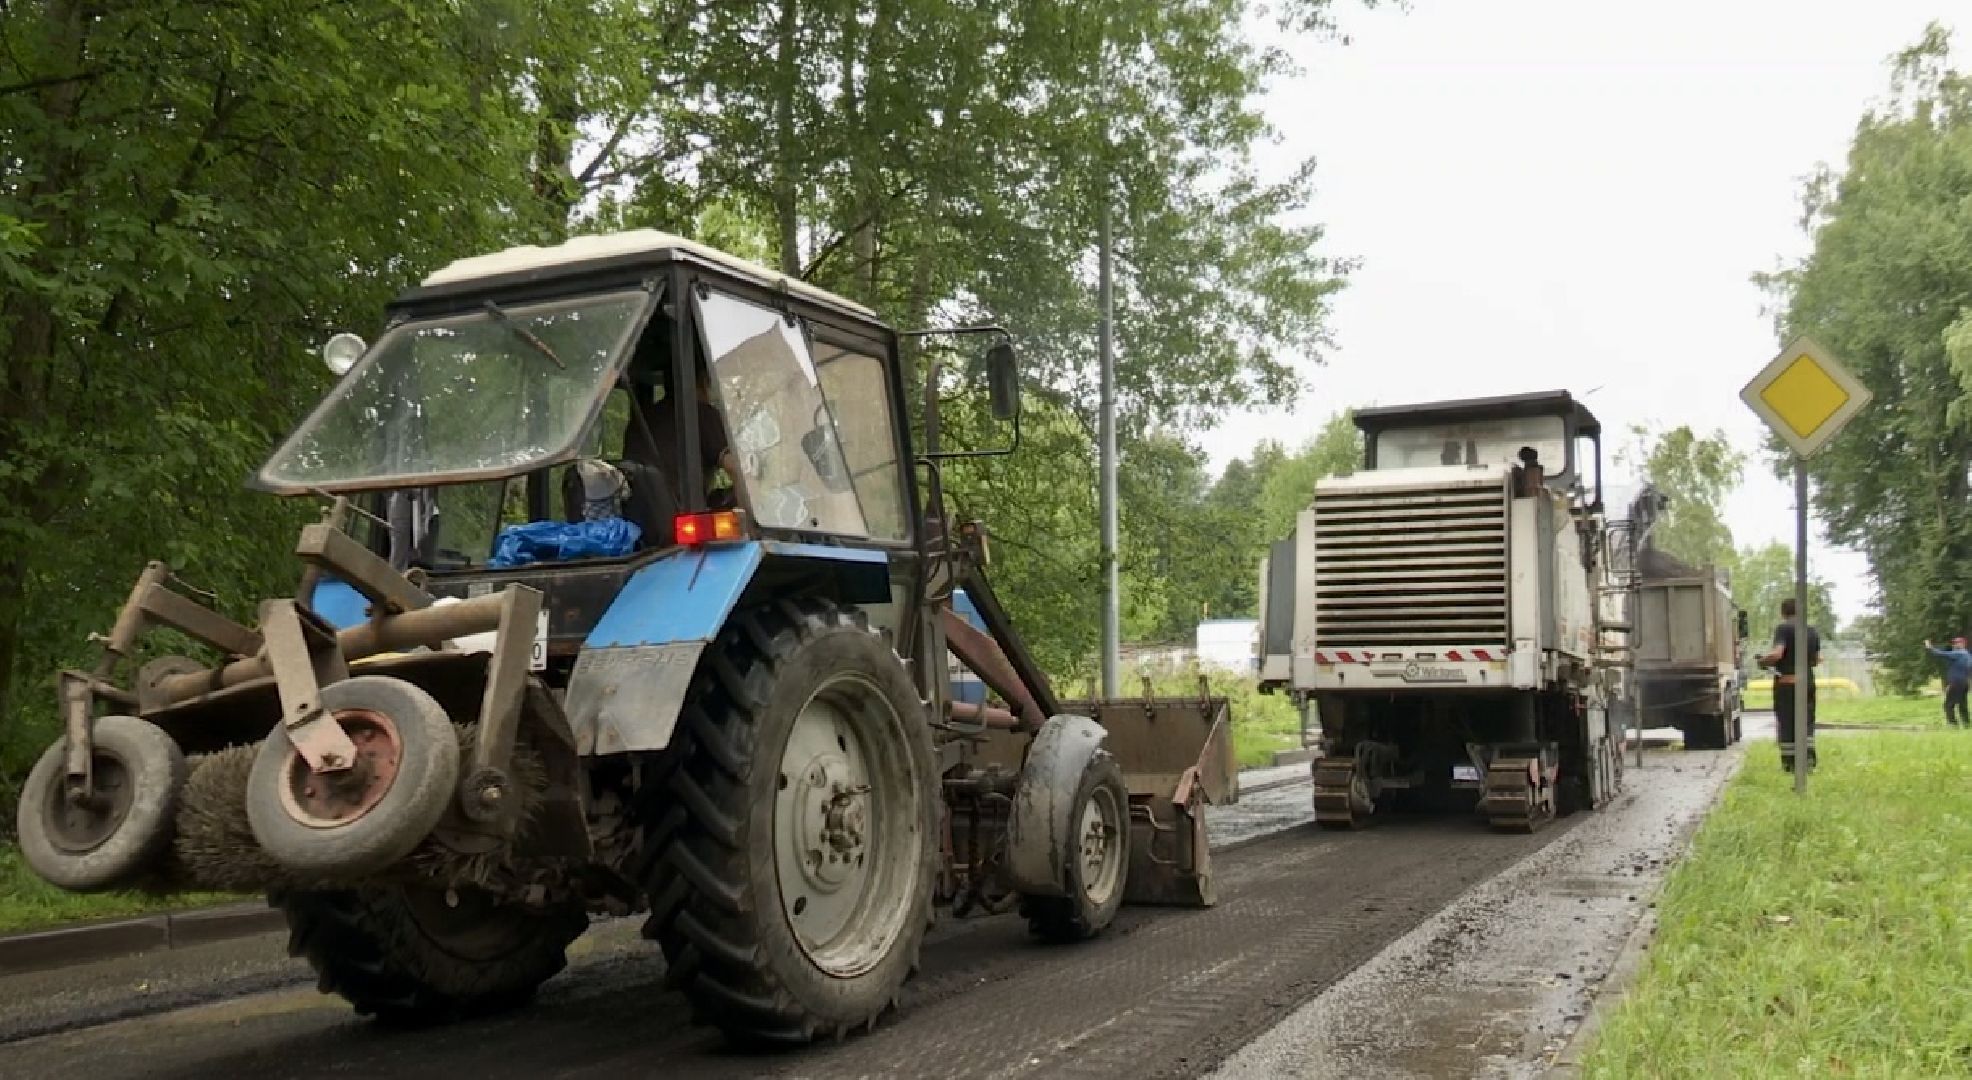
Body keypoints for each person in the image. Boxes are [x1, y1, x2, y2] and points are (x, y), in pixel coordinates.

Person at [1757, 599, 1821, 772]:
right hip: (1808, 683)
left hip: (1788, 683)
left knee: (1787, 721)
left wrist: (1763, 661)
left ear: (1783, 613)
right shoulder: (1811, 631)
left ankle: (1790, 763)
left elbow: (1777, 654)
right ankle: (1808, 761)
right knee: (1807, 721)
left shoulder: (1784, 629)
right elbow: (1816, 660)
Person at [1924, 636, 1972, 727]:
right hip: (1965, 682)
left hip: (1956, 682)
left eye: (1957, 643)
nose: (1955, 645)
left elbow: (1941, 654)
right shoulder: (1968, 655)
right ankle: (1966, 724)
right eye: (1954, 643)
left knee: (1948, 704)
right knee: (1962, 704)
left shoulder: (1958, 653)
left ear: (1963, 644)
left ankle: (1953, 724)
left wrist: (1929, 647)